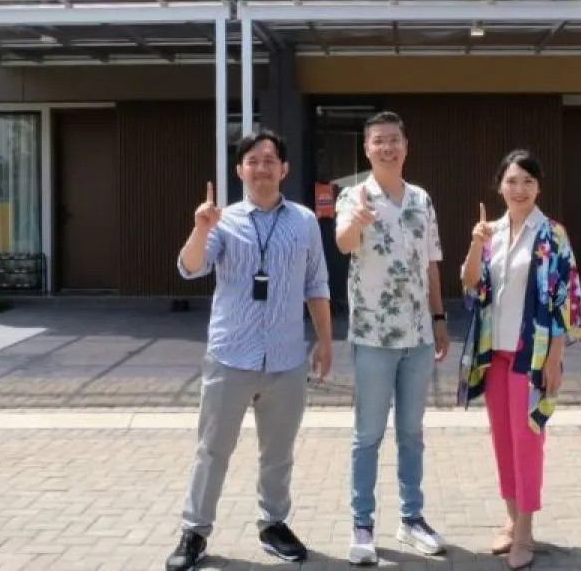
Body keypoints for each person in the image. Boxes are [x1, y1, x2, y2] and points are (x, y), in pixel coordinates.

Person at [166, 129, 333, 571]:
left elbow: (316, 283)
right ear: (240, 170)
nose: (262, 168)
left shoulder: (303, 221)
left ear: (284, 169)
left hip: (286, 358)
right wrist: (200, 228)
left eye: (269, 160)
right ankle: (195, 531)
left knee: (278, 453)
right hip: (230, 356)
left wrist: (325, 340)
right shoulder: (222, 221)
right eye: (253, 161)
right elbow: (190, 268)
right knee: (212, 449)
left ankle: (273, 524)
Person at [458, 149, 581, 571]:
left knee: (528, 439)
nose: (519, 189)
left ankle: (526, 532)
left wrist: (554, 359)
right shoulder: (490, 232)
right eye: (512, 181)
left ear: (538, 188)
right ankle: (511, 520)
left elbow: (565, 300)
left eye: (528, 181)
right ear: (500, 186)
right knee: (502, 440)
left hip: (531, 356)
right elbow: (470, 284)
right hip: (494, 354)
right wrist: (476, 244)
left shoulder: (552, 235)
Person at [334, 110, 451, 566]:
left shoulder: (422, 199)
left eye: (393, 140)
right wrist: (357, 222)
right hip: (373, 335)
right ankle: (362, 525)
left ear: (406, 145)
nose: (387, 147)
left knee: (411, 433)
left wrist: (439, 318)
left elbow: (431, 263)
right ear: (367, 149)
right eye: (378, 141)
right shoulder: (353, 195)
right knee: (367, 435)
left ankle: (411, 519)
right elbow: (344, 243)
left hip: (418, 335)